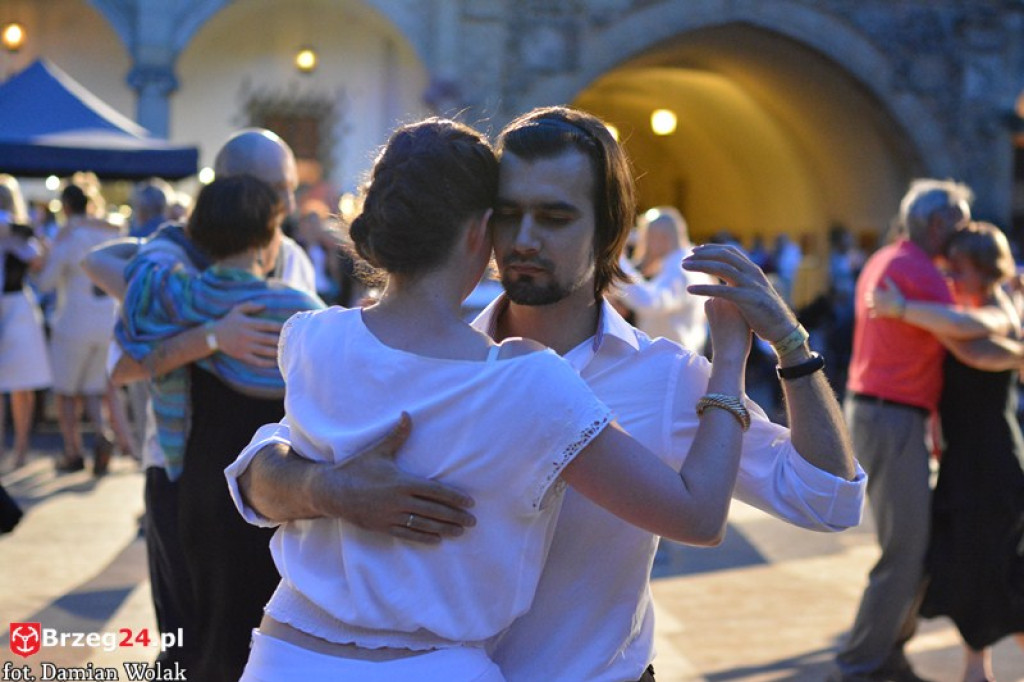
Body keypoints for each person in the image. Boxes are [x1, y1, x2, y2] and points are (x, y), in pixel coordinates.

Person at [228, 106, 865, 682]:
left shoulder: (666, 379)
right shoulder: (431, 351)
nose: (525, 239)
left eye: (555, 217)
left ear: (608, 230)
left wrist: (792, 348)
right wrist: (326, 489)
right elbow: (258, 476)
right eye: (510, 215)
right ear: (480, 226)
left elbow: (828, 500)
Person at [85, 129, 321, 676]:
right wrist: (212, 337)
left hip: (268, 478)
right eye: (275, 188)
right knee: (187, 636)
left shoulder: (292, 257)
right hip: (181, 472)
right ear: (235, 188)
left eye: (289, 188)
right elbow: (122, 365)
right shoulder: (172, 259)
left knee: (254, 635)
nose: (287, 202)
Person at [836, 178, 1019, 682]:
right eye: (958, 220)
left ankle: (887, 652)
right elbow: (968, 335)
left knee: (916, 548)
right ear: (937, 223)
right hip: (890, 415)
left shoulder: (898, 261)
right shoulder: (913, 272)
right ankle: (859, 664)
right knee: (905, 551)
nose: (963, 231)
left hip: (890, 416)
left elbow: (978, 322)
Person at [34, 181, 119, 475]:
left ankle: (73, 451)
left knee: (66, 392)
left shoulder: (69, 237)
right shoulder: (108, 230)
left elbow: (45, 282)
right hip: (106, 322)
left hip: (73, 323)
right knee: (94, 391)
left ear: (67, 207)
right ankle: (103, 433)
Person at [0, 175, 52, 469]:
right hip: (16, 308)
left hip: (16, 307)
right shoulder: (14, 227)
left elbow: (36, 260)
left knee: (20, 385)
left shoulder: (19, 232)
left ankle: (18, 449)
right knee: (20, 387)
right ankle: (18, 449)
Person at [614, 206, 712, 354]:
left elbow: (651, 302)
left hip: (675, 364)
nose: (643, 247)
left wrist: (617, 260)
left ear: (660, 238)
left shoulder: (683, 269)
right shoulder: (687, 265)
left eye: (645, 239)